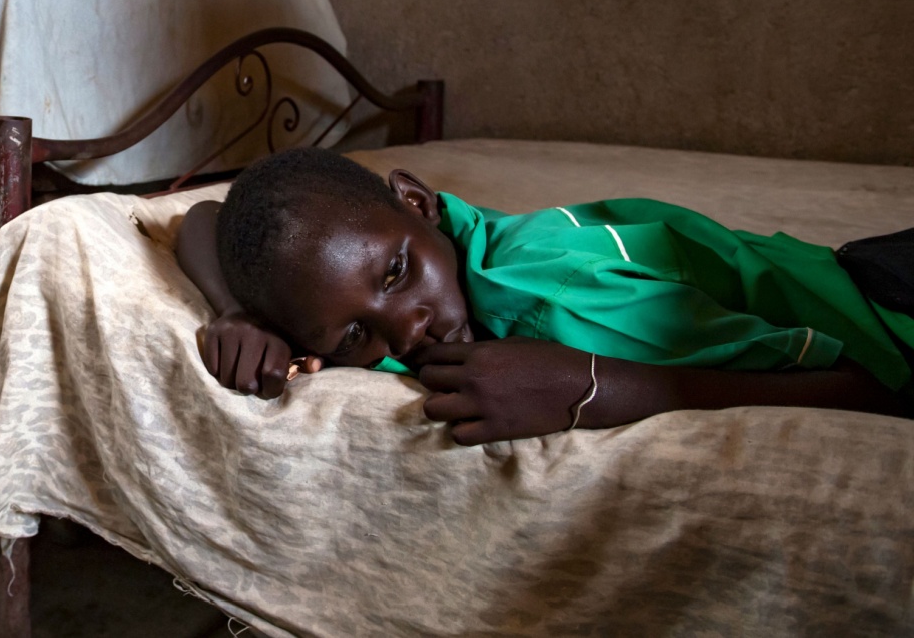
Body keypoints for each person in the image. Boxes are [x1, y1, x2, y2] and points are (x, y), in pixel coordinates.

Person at [175, 147, 914, 445]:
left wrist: (592, 388)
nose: (409, 333)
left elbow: (872, 393)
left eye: (397, 274)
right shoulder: (444, 248)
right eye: (352, 339)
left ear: (417, 201)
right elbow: (202, 218)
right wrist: (235, 311)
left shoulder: (542, 294)